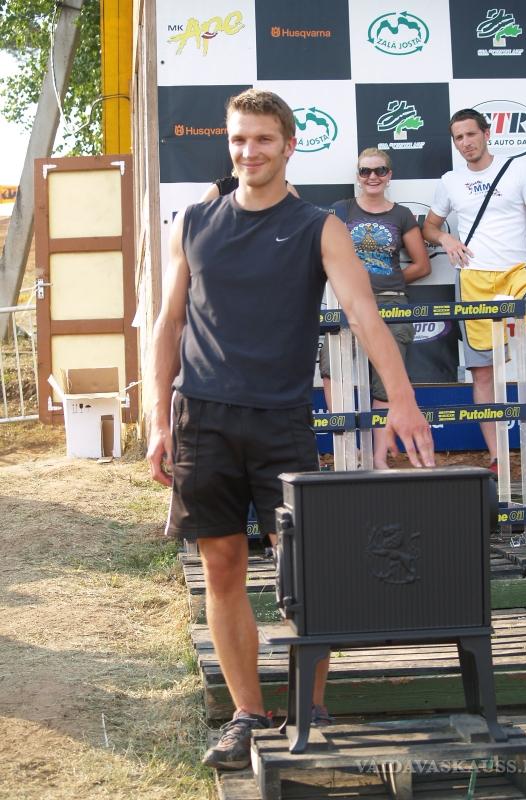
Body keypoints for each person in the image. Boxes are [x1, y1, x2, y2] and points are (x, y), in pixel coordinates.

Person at [147, 88, 435, 771]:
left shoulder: (319, 226)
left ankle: (311, 708)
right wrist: (158, 420)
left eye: (263, 140)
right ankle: (247, 714)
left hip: (281, 421)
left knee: (306, 573)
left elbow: (364, 315)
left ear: (289, 145)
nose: (249, 151)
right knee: (221, 567)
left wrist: (402, 399)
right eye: (238, 139)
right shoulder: (193, 221)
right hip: (202, 419)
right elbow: (168, 323)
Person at [423, 108, 526, 474]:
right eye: (458, 138)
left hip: (516, 272)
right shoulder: (450, 181)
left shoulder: (518, 168)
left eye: (471, 134)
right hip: (473, 278)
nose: (465, 143)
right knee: (483, 373)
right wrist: (445, 238)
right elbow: (430, 227)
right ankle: (497, 456)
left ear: (487, 134)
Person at [320, 148, 431, 468]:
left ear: (389, 175)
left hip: (391, 302)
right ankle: (347, 452)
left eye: (380, 170)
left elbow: (422, 265)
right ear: (357, 176)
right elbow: (324, 254)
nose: (372, 176)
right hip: (346, 302)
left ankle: (378, 458)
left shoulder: (402, 214)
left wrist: (388, 280)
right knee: (331, 371)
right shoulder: (340, 210)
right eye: (365, 171)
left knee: (386, 381)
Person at [199, 170, 299, 201]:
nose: (250, 153)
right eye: (241, 141)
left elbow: (299, 222)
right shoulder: (221, 188)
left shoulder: (285, 188)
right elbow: (198, 219)